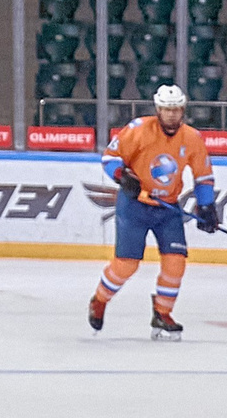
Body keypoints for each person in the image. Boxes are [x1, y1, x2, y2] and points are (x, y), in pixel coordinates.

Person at [88, 83, 216, 340]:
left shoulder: (192, 138)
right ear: (158, 109)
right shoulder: (138, 129)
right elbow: (110, 157)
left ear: (183, 110)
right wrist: (121, 175)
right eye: (167, 110)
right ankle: (100, 300)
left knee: (176, 262)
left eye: (176, 110)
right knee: (127, 265)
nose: (171, 115)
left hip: (168, 208)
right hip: (134, 205)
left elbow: (203, 176)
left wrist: (207, 205)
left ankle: (162, 313)